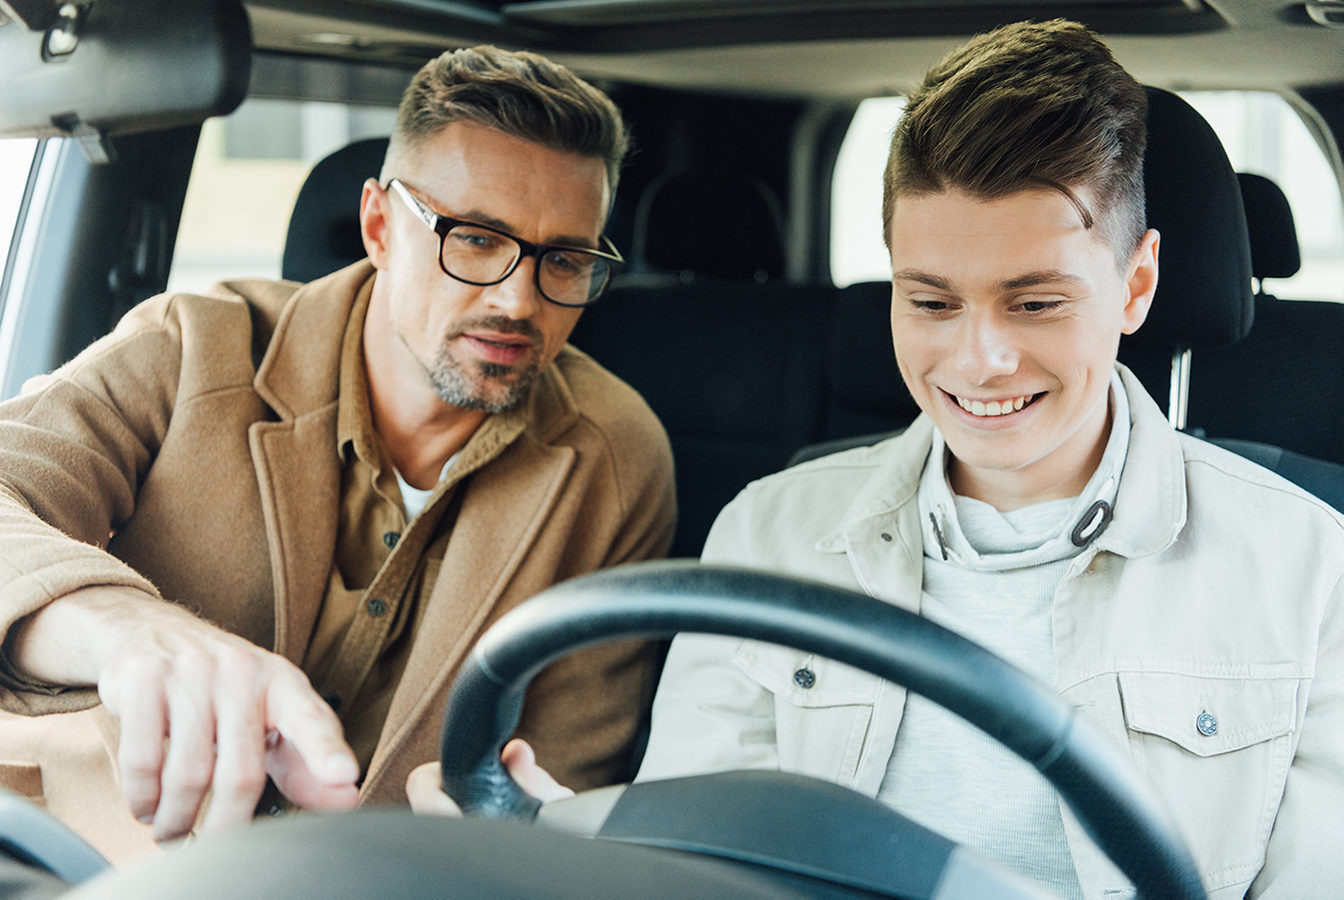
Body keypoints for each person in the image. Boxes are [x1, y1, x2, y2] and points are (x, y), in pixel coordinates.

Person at [439, 19, 1341, 898]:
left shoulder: (1310, 573)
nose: (979, 360)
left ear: (1135, 285)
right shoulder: (770, 533)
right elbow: (703, 864)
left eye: (1035, 304)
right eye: (933, 302)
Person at [0, 45, 675, 860]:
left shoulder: (616, 457)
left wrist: (497, 833)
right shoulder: (193, 347)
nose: (517, 299)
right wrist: (126, 632)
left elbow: (567, 779)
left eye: (563, 259)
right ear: (380, 226)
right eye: (477, 239)